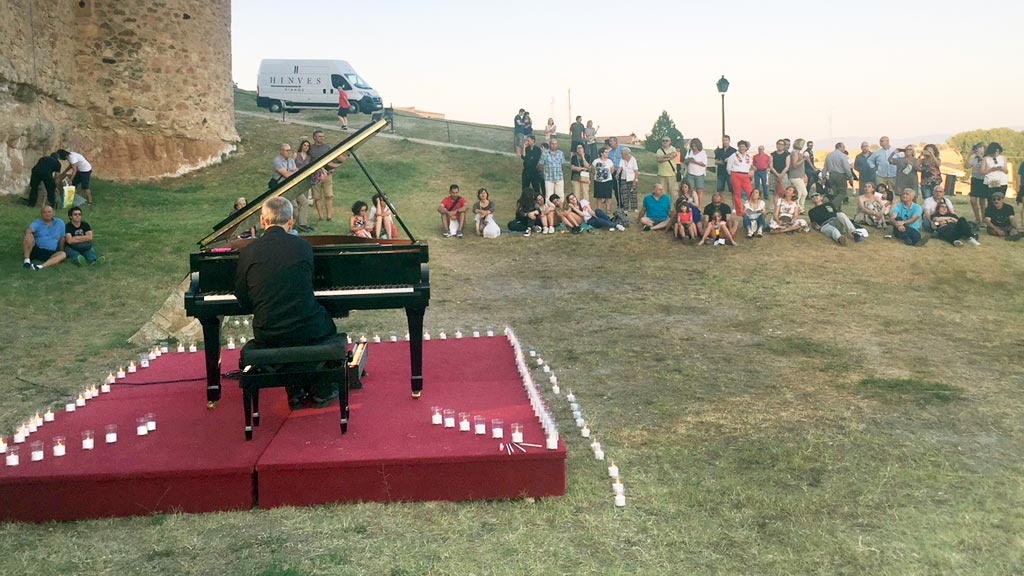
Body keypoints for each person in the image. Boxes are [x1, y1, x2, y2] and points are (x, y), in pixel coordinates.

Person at [235, 196, 338, 408]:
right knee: (325, 323)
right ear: (290, 221)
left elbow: (243, 298)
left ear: (263, 221)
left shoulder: (248, 252)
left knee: (293, 329)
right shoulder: (303, 247)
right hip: (307, 328)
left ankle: (295, 390)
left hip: (268, 332)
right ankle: (321, 387)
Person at [309, 129, 345, 223]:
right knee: (317, 197)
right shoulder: (311, 149)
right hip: (315, 176)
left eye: (323, 136)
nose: (322, 138)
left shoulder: (327, 147)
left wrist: (333, 168)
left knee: (328, 195)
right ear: (314, 138)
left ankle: (329, 216)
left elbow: (335, 159)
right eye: (319, 136)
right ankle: (321, 216)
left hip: (327, 174)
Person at [22, 205, 67, 270]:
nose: (47, 214)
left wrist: (61, 250)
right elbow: (29, 230)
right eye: (44, 212)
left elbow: (62, 238)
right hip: (37, 249)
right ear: (41, 214)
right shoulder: (37, 222)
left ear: (53, 213)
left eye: (49, 212)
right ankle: (26, 261)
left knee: (63, 254)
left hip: (50, 252)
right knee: (28, 235)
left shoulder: (60, 222)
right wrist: (29, 232)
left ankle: (40, 266)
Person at [291, 139, 314, 233]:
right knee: (295, 204)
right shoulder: (296, 154)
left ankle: (302, 223)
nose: (306, 147)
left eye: (308, 146)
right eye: (304, 145)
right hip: (295, 181)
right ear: (301, 146)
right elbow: (291, 164)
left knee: (304, 202)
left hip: (304, 181)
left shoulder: (309, 157)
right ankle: (294, 222)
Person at [726, 140, 754, 216]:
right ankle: (739, 211)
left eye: (743, 146)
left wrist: (750, 175)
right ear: (738, 147)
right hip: (736, 174)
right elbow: (728, 167)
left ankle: (752, 208)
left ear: (746, 148)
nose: (742, 148)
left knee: (750, 192)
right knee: (737, 193)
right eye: (740, 146)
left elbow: (749, 166)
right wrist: (732, 175)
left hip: (745, 175)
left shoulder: (748, 156)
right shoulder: (733, 155)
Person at [823, 142, 854, 210]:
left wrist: (824, 176)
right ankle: (833, 205)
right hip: (840, 175)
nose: (844, 149)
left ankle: (837, 209)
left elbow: (825, 167)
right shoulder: (842, 155)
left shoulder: (829, 155)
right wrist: (850, 177)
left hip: (831, 175)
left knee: (835, 192)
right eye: (843, 147)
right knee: (842, 193)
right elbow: (846, 167)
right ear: (840, 147)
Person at [967, 142, 988, 227]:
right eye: (977, 147)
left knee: (982, 201)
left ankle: (983, 219)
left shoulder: (987, 158)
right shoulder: (974, 158)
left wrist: (980, 156)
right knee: (973, 200)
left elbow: (987, 166)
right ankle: (977, 218)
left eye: (980, 147)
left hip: (983, 180)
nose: (978, 149)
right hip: (975, 179)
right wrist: (969, 155)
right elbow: (966, 166)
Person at [592, 146, 616, 213]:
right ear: (601, 153)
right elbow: (593, 170)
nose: (607, 153)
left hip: (607, 181)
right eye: (606, 152)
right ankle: (599, 208)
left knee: (608, 195)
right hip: (598, 181)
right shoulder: (596, 161)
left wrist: (606, 176)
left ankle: (608, 209)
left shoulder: (609, 161)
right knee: (599, 195)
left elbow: (612, 170)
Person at [684, 138, 708, 205]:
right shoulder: (689, 151)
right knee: (690, 190)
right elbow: (685, 161)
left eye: (695, 146)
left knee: (699, 191)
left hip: (699, 174)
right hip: (690, 173)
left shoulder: (703, 152)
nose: (694, 148)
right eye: (693, 146)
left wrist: (695, 162)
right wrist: (688, 160)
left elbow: (704, 164)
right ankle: (690, 204)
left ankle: (699, 205)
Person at [655, 137, 678, 203]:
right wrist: (668, 157)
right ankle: (663, 207)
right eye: (663, 141)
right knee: (661, 192)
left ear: (670, 142)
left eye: (667, 141)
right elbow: (658, 159)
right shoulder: (659, 150)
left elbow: (673, 155)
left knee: (674, 193)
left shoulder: (673, 149)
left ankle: (675, 208)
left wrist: (663, 157)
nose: (665, 142)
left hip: (671, 174)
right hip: (662, 174)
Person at [788, 139, 809, 207]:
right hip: (795, 175)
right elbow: (794, 165)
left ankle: (800, 206)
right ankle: (796, 206)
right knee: (799, 193)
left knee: (804, 193)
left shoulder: (798, 153)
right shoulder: (795, 153)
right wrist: (804, 159)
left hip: (799, 175)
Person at [619, 146, 639, 212]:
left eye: (622, 154)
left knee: (633, 193)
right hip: (624, 178)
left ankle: (634, 207)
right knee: (624, 193)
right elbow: (620, 167)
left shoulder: (633, 159)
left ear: (626, 154)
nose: (621, 155)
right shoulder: (622, 159)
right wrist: (617, 173)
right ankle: (626, 208)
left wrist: (635, 180)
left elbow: (636, 171)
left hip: (632, 178)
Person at [607, 137, 623, 207]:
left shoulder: (622, 149)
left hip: (622, 170)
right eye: (609, 141)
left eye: (611, 141)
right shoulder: (609, 152)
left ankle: (626, 202)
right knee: (616, 187)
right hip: (613, 171)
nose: (610, 143)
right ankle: (619, 203)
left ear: (616, 142)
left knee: (624, 187)